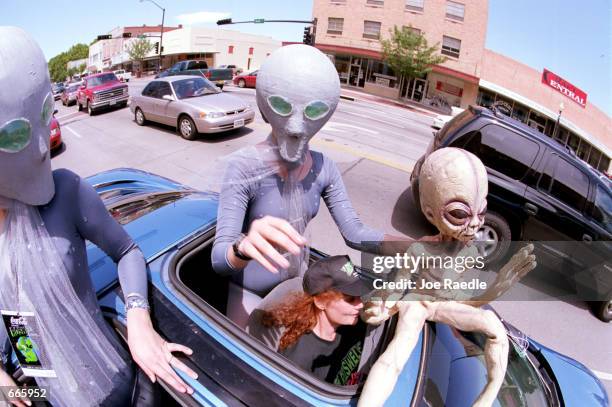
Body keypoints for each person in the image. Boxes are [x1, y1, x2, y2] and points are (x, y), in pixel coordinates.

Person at [0, 27, 197, 407]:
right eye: (13, 137)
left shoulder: (66, 193)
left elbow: (127, 251)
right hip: (44, 394)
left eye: (44, 115)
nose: (42, 148)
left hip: (114, 382)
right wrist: (10, 390)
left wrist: (139, 321)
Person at [211, 44, 404, 327]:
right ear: (265, 107)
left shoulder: (324, 167)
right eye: (282, 106)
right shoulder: (244, 166)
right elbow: (219, 259)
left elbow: (355, 232)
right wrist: (243, 246)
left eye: (313, 110)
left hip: (296, 290)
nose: (297, 127)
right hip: (248, 295)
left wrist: (415, 246)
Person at [261, 255, 370, 386]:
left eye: (359, 296)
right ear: (321, 302)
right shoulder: (300, 360)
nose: (361, 305)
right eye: (350, 299)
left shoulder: (354, 322)